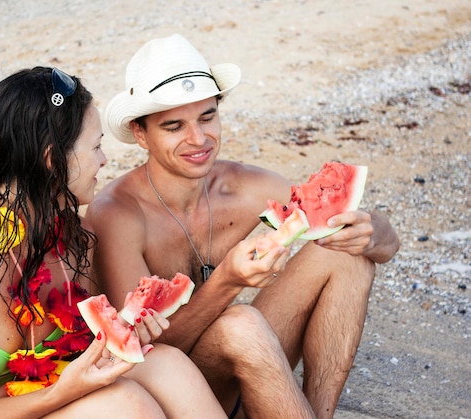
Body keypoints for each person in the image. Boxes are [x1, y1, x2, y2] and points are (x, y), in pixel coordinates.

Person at [86, 34, 400, 419]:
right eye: (174, 127)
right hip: (171, 395)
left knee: (347, 256)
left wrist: (372, 231)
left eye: (207, 117)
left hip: (245, 364)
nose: (199, 139)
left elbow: (385, 245)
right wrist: (228, 281)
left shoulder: (244, 186)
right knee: (239, 323)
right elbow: (140, 349)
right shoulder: (116, 214)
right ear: (140, 133)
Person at [0, 66, 227, 418]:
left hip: (48, 394)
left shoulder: (74, 236)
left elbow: (73, 357)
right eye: (96, 146)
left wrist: (125, 330)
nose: (104, 160)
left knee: (166, 365)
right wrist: (62, 393)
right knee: (127, 405)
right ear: (53, 160)